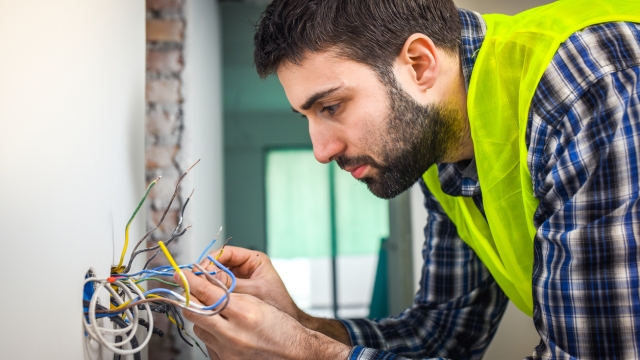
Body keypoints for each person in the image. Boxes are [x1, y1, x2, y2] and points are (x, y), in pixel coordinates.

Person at [176, 0, 640, 358]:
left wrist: (303, 352)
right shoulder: (441, 144)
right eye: (308, 116)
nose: (321, 150)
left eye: (331, 107)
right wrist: (301, 325)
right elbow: (442, 334)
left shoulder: (589, 86)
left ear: (419, 64)